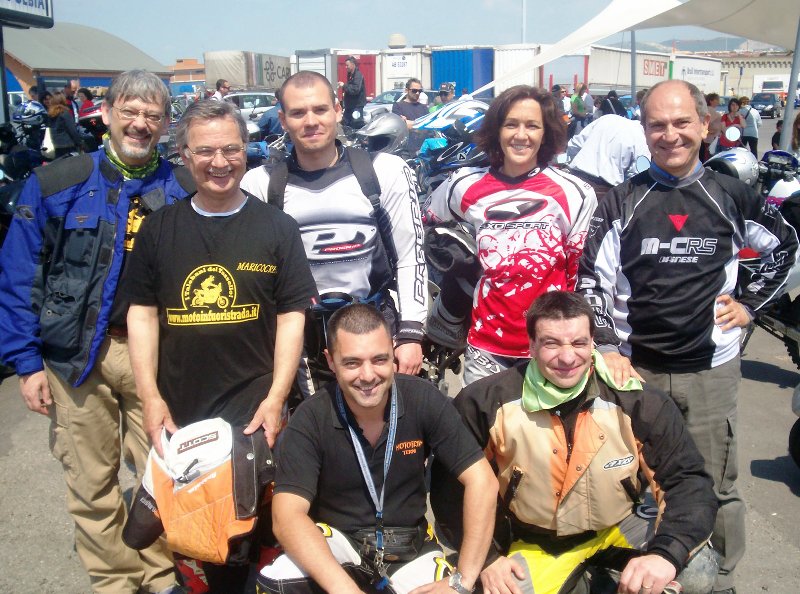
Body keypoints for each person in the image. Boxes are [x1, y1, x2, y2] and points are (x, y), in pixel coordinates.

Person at [576, 79, 799, 594]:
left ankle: (720, 580)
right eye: (657, 125)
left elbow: (786, 246)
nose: (670, 134)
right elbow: (590, 281)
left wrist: (750, 304)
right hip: (636, 372)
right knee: (629, 483)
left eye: (681, 122)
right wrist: (607, 347)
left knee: (714, 484)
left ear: (704, 125)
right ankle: (637, 574)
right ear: (644, 131)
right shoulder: (622, 201)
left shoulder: (732, 195)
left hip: (710, 371)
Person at [0, 70, 195, 594]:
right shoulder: (56, 183)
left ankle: (162, 578)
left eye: (152, 115)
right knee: (92, 484)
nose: (140, 124)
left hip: (156, 360)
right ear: (106, 114)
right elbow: (19, 276)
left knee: (162, 476)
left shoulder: (184, 189)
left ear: (165, 124)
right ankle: (116, 581)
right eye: (129, 111)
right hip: (75, 358)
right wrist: (26, 363)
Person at [123, 99, 317, 591]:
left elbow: (292, 316)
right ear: (184, 155)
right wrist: (150, 397)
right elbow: (141, 315)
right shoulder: (159, 228)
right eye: (205, 151)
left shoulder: (277, 227)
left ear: (246, 150)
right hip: (182, 415)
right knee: (196, 544)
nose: (220, 162)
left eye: (231, 149)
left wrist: (277, 397)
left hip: (255, 415)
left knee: (261, 540)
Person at [432, 291, 718, 594]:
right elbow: (450, 489)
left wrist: (664, 555)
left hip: (617, 527)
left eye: (579, 343)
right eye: (551, 343)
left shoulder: (638, 400)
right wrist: (487, 558)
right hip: (535, 542)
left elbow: (687, 481)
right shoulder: (484, 402)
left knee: (695, 570)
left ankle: (605, 580)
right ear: (531, 345)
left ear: (593, 342)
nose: (568, 357)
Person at [258, 303, 498, 594]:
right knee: (277, 581)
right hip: (339, 545)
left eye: (379, 359)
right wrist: (345, 590)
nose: (368, 375)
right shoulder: (310, 417)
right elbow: (286, 517)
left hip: (409, 548)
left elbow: (482, 481)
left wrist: (463, 580)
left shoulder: (423, 399)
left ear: (393, 354)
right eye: (352, 363)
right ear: (330, 361)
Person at [240, 71, 427, 396]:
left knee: (383, 425)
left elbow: (410, 255)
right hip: (302, 345)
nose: (311, 121)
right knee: (319, 426)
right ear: (283, 120)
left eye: (320, 109)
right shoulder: (260, 184)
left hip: (374, 332)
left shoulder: (384, 171)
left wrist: (411, 333)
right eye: (298, 113)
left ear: (338, 110)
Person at [423, 85, 597, 385]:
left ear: (546, 133)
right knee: (482, 419)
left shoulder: (575, 193)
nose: (521, 135)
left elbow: (577, 273)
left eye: (532, 126)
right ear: (496, 130)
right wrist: (450, 255)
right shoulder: (463, 185)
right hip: (486, 348)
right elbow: (425, 224)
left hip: (552, 348)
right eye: (511, 124)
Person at [566, 113, 650, 201]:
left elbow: (574, 145)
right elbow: (638, 177)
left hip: (574, 181)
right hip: (602, 192)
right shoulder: (642, 138)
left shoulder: (606, 119)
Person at [46, 91, 84, 158]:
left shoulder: (50, 115)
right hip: (68, 145)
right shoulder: (64, 113)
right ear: (63, 101)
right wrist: (80, 143)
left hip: (56, 145)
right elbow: (72, 130)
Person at [339, 56, 366, 127]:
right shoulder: (350, 75)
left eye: (347, 65)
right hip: (350, 106)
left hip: (356, 106)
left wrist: (344, 85)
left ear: (353, 64)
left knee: (356, 124)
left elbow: (355, 90)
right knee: (345, 123)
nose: (346, 67)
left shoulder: (358, 75)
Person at [703, 93, 723, 161]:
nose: (718, 101)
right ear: (711, 101)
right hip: (710, 138)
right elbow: (706, 122)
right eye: (716, 99)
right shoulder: (710, 110)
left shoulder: (709, 109)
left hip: (711, 137)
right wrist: (708, 131)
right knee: (709, 156)